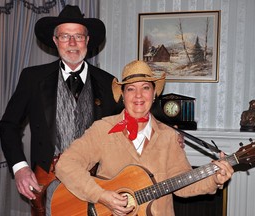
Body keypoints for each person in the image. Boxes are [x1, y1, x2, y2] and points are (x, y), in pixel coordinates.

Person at [55, 60, 234, 216]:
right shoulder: (103, 129)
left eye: (145, 88)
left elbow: (182, 184)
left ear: (154, 94)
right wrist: (101, 195)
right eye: (131, 89)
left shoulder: (169, 136)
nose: (138, 95)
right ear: (122, 96)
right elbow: (66, 165)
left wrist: (214, 179)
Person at [0, 5, 123, 215]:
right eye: (65, 36)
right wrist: (20, 168)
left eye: (78, 36)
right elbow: (8, 125)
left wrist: (164, 134)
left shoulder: (108, 82)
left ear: (87, 40)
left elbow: (128, 124)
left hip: (96, 184)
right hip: (47, 183)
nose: (72, 43)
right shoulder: (32, 78)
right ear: (55, 41)